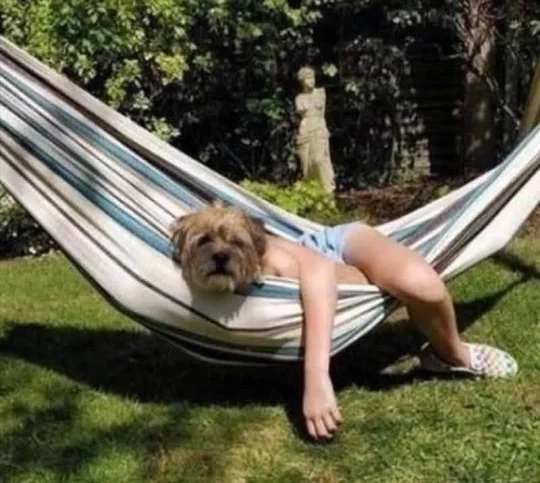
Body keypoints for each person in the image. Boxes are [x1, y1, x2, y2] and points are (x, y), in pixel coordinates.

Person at [171, 206, 518, 441]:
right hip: (334, 273)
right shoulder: (178, 267)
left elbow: (320, 268)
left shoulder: (272, 257)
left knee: (423, 286)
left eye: (234, 243)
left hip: (340, 245)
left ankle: (454, 354)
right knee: (379, 284)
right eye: (205, 242)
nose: (220, 252)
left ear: (254, 249)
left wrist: (316, 379)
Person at [295, 66, 336, 193]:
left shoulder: (320, 93)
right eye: (308, 78)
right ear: (302, 81)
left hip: (318, 128)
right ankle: (314, 192)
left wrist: (323, 128)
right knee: (307, 165)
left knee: (319, 160)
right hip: (306, 129)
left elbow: (322, 114)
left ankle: (327, 189)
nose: (312, 80)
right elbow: (302, 114)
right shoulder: (299, 98)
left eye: (313, 77)